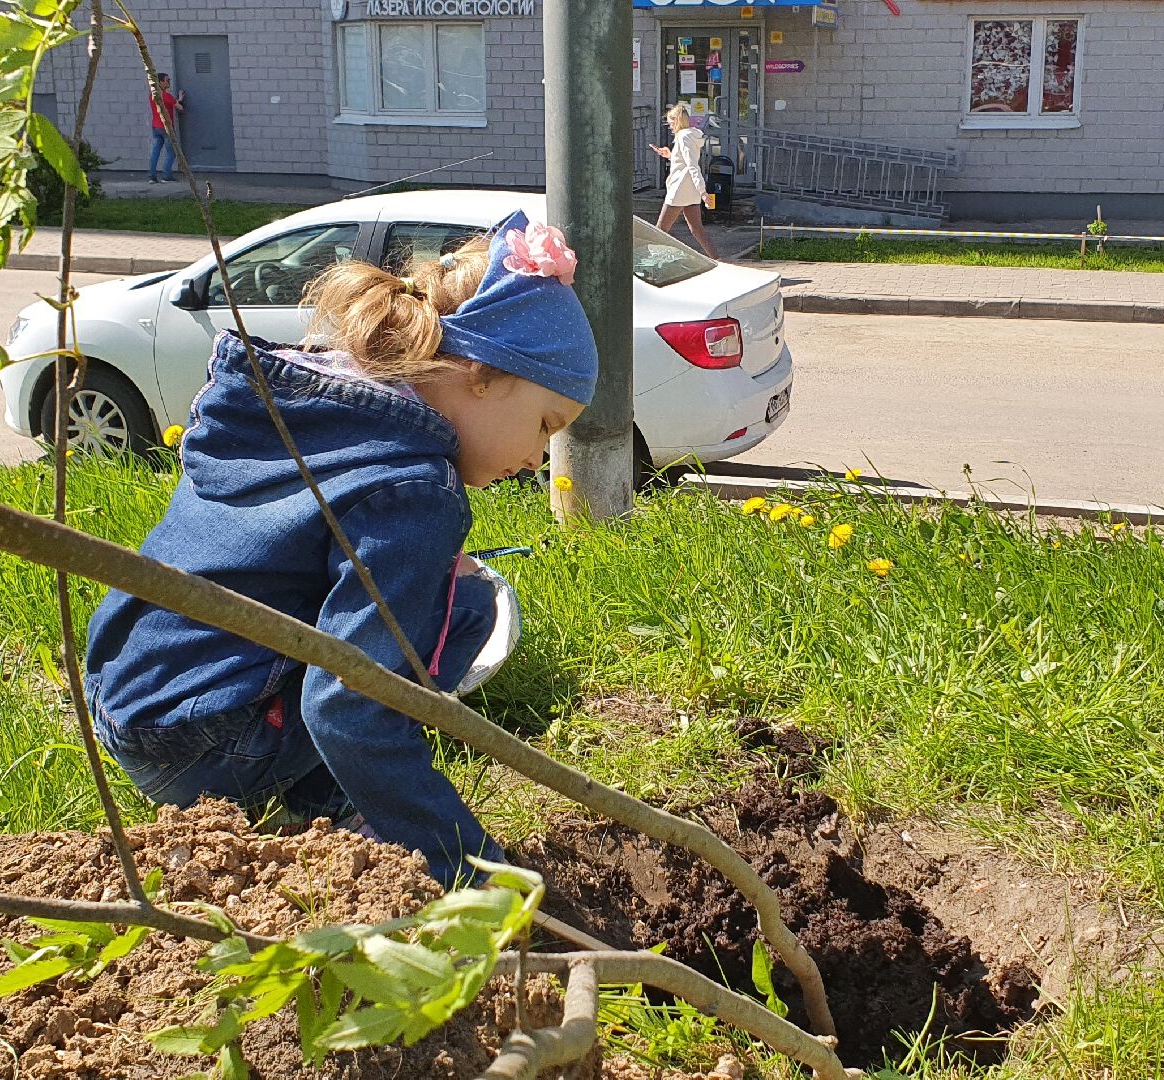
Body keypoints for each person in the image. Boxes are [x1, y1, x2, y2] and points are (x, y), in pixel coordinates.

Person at [83, 211, 596, 886]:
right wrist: (467, 866)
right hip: (208, 749)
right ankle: (336, 801)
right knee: (472, 610)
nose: (536, 458)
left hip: (124, 699)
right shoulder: (419, 490)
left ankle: (311, 779)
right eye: (544, 425)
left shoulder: (323, 396)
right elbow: (347, 707)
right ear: (481, 372)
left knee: (450, 596)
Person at [652, 104, 717, 255]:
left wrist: (703, 191)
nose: (670, 126)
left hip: (679, 189)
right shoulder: (691, 136)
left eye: (670, 122)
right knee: (697, 229)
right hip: (691, 190)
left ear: (677, 121)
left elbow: (692, 165)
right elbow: (686, 160)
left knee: (660, 230)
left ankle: (652, 262)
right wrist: (669, 155)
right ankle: (719, 260)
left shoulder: (682, 137)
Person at [148, 73, 183, 183]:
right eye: (167, 80)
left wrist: (178, 99)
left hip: (155, 127)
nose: (169, 82)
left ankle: (152, 176)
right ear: (160, 82)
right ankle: (166, 176)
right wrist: (180, 100)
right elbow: (180, 108)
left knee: (155, 151)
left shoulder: (152, 95)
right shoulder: (167, 96)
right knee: (171, 152)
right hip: (166, 128)